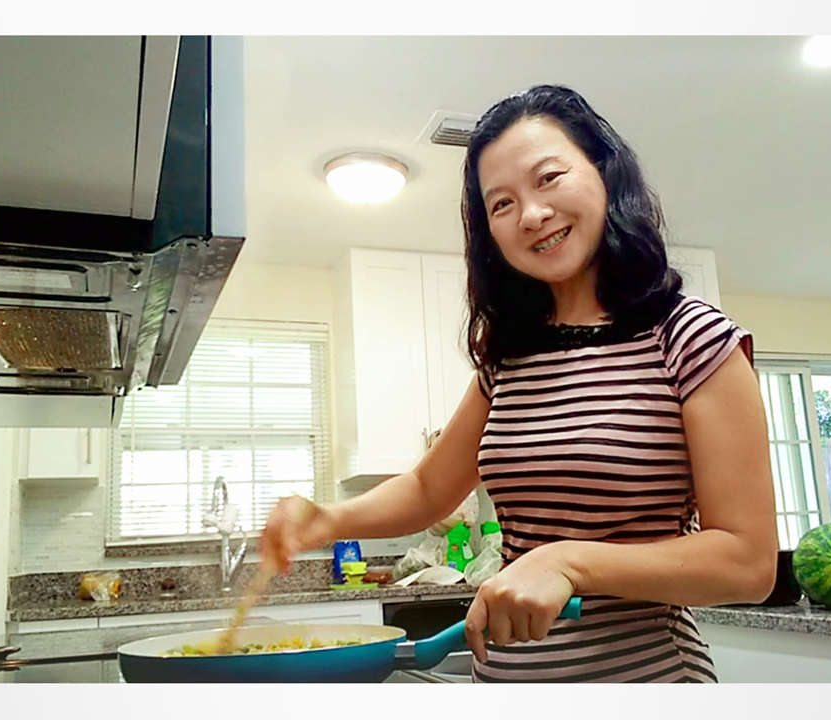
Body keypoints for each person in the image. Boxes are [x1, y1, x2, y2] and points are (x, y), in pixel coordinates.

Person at [261, 84, 777, 683]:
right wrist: (326, 520)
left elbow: (747, 562)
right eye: (501, 204)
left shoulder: (691, 339)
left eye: (549, 178)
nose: (531, 215)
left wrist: (567, 563)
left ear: (604, 173)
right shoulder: (508, 358)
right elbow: (428, 487)